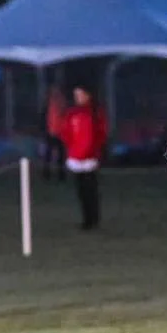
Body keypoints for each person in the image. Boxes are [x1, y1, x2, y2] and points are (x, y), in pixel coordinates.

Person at [60, 86, 106, 230]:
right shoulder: (72, 113)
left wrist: (94, 150)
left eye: (80, 94)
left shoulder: (95, 112)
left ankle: (93, 218)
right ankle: (87, 219)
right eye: (76, 95)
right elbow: (66, 132)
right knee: (81, 190)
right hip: (76, 156)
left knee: (90, 189)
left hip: (90, 157)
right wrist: (71, 149)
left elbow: (100, 133)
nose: (78, 98)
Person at [42, 84, 68, 183]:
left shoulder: (61, 102)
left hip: (60, 133)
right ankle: (47, 173)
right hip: (51, 132)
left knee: (60, 155)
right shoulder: (49, 103)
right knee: (48, 154)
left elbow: (64, 116)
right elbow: (45, 117)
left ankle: (61, 174)